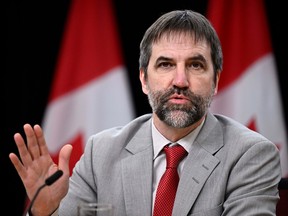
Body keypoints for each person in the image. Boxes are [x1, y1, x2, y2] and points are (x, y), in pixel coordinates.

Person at [9, 9, 282, 216]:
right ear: (143, 79)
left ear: (216, 80)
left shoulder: (251, 155)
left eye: (196, 65)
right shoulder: (100, 153)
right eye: (165, 64)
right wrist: (43, 211)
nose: (180, 80)